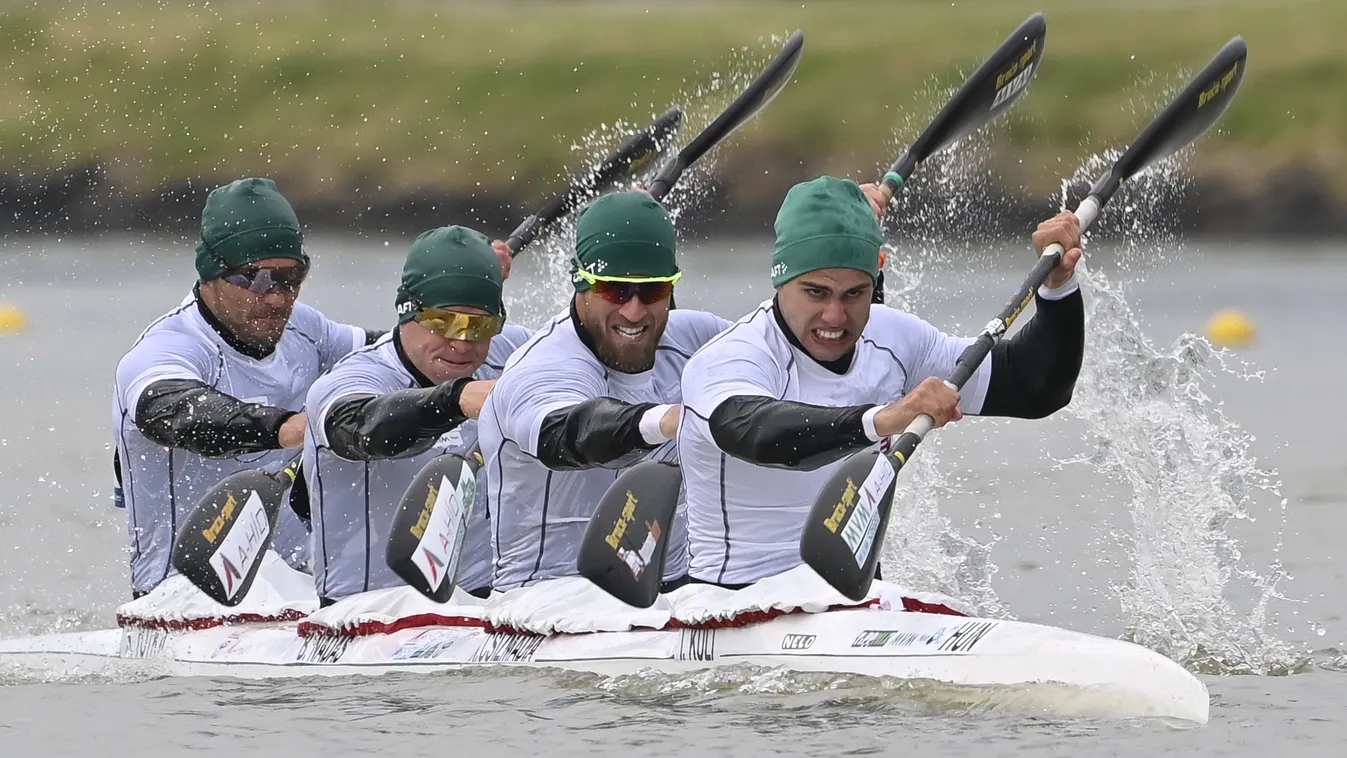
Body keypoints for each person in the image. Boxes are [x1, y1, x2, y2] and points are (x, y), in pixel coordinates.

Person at [678, 175, 1085, 588]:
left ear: (876, 278)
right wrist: (886, 418)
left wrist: (1058, 288)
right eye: (816, 293)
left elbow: (1035, 386)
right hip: (732, 605)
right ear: (780, 280)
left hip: (856, 604)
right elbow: (758, 433)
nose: (836, 317)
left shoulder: (894, 337)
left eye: (855, 294)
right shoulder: (732, 357)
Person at [113, 177, 381, 599]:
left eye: (291, 277)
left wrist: (459, 298)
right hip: (181, 602)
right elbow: (170, 410)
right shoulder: (172, 347)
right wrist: (287, 429)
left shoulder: (307, 330)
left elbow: (403, 355)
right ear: (211, 274)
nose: (277, 298)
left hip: (295, 595)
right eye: (255, 280)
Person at [478, 190, 730, 592]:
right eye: (614, 291)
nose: (633, 312)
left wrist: (849, 254)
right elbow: (570, 433)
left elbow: (793, 350)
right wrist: (664, 421)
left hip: (674, 598)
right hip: (547, 604)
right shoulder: (543, 366)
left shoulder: (697, 339)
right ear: (582, 284)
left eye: (652, 291)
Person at [303, 225, 530, 606]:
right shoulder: (353, 379)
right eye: (443, 322)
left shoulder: (511, 353)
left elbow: (602, 338)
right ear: (407, 310)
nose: (462, 342)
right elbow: (364, 429)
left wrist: (626, 273)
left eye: (480, 325)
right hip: (366, 614)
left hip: (480, 608)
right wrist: (454, 400)